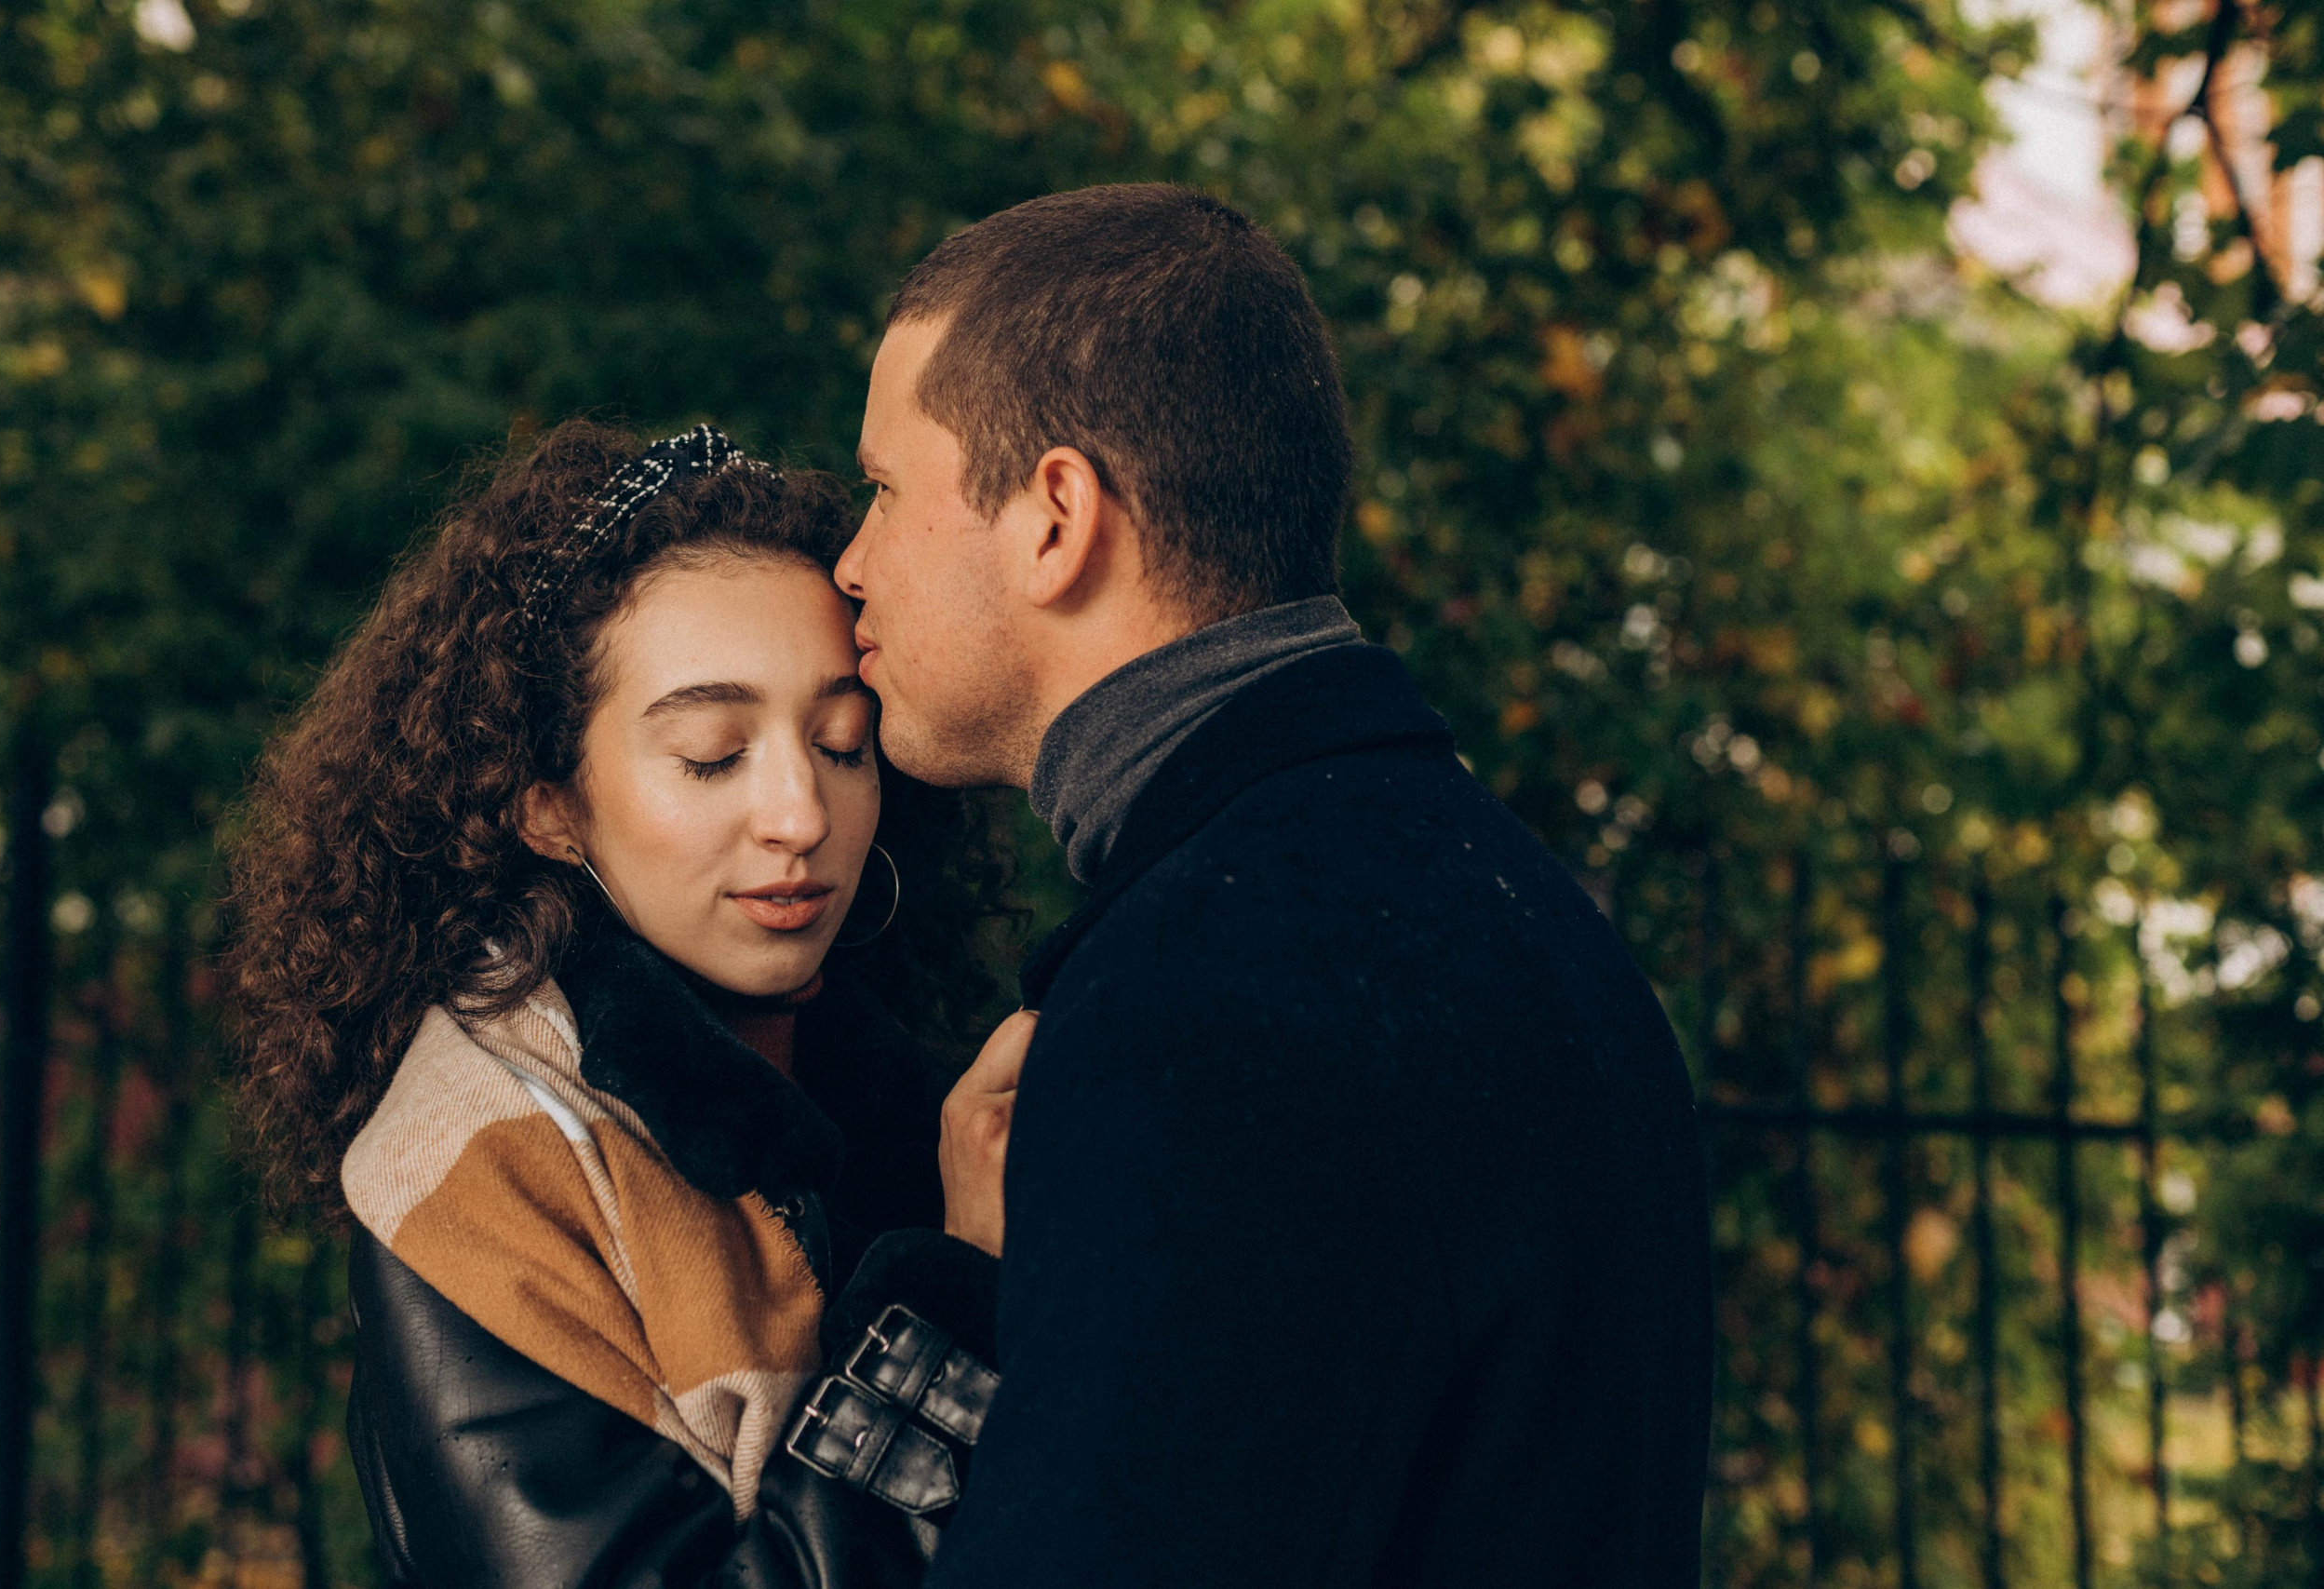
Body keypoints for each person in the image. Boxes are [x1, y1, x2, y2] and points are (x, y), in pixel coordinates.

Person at [830, 182, 1714, 1586]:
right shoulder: (1516, 912)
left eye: (884, 490)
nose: (853, 563)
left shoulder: (1212, 1007)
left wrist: (967, 1289)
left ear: (1055, 515)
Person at [223, 421, 1017, 1587]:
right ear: (549, 808)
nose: (800, 813)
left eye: (842, 743)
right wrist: (957, 1302)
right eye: (711, 754)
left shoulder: (925, 1094)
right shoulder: (480, 1164)